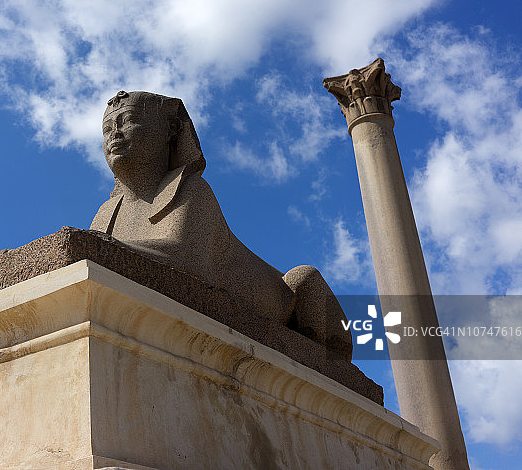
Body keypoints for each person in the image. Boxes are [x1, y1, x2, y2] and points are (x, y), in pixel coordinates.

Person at [91, 90, 351, 359]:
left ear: (169, 129)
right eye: (108, 128)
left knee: (304, 277)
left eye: (129, 120)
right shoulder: (106, 214)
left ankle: (323, 359)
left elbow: (188, 260)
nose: (115, 134)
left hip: (280, 304)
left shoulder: (192, 190)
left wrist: (100, 248)